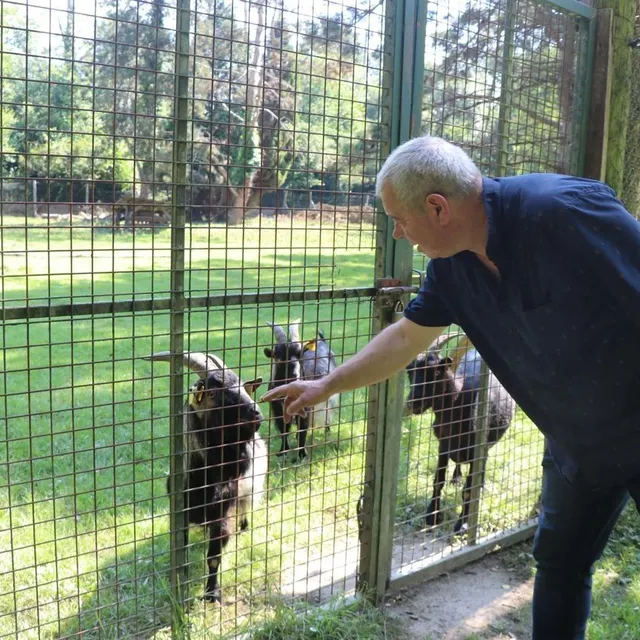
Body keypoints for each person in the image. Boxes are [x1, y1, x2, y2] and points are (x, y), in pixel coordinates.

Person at [260, 134, 640, 639]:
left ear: (438, 208)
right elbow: (406, 339)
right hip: (576, 444)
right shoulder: (451, 266)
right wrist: (326, 384)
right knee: (559, 564)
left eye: (400, 219)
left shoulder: (563, 211)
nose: (397, 233)